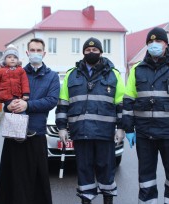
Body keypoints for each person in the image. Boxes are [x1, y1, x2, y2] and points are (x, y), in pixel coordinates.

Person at [122, 27, 169, 204]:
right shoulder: (136, 70)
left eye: (158, 41)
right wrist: (128, 128)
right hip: (144, 134)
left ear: (166, 44)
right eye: (150, 42)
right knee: (146, 177)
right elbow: (128, 101)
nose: (153, 45)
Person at [55, 37, 125, 204]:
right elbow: (63, 103)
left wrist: (121, 128)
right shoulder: (72, 74)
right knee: (84, 169)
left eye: (95, 50)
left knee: (106, 168)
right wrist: (62, 128)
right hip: (81, 132)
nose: (91, 52)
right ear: (83, 52)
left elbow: (121, 103)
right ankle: (86, 200)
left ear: (101, 52)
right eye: (88, 50)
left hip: (105, 133)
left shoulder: (113, 74)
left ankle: (108, 199)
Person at [0, 38, 60, 204]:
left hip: (36, 132)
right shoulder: (16, 72)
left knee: (36, 179)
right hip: (15, 130)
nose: (35, 53)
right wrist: (10, 104)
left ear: (44, 53)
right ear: (27, 53)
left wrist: (27, 105)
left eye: (39, 50)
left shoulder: (51, 76)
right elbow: (5, 93)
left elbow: (51, 100)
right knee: (13, 178)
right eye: (32, 50)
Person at [0, 45, 35, 137]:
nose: (12, 59)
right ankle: (24, 130)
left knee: (16, 111)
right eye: (9, 57)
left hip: (17, 95)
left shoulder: (21, 70)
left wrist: (26, 93)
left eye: (15, 57)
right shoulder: (0, 71)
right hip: (6, 96)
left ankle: (11, 131)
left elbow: (24, 82)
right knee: (18, 110)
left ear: (18, 59)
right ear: (4, 59)